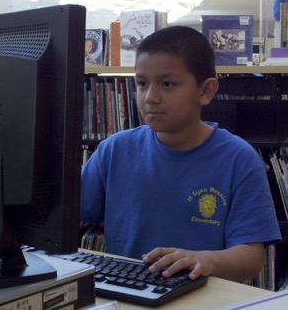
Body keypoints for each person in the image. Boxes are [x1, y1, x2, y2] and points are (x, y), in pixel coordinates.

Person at [80, 25, 281, 283]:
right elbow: (71, 213)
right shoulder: (115, 150)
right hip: (128, 296)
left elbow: (250, 258)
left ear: (206, 91)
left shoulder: (238, 159)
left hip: (203, 298)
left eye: (167, 84)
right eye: (142, 83)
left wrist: (205, 260)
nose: (150, 97)